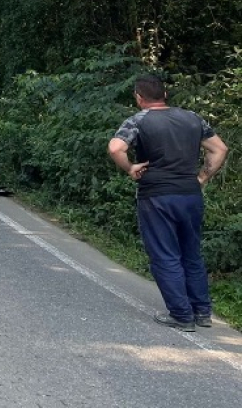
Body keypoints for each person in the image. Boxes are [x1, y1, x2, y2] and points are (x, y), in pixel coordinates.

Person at [108, 74, 229, 331]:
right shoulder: (193, 118)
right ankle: (202, 311)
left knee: (165, 254)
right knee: (191, 252)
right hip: (190, 194)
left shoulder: (138, 121)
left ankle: (181, 315)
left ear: (139, 97)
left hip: (157, 195)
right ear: (165, 94)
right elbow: (220, 149)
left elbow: (116, 148)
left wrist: (130, 167)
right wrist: (201, 178)